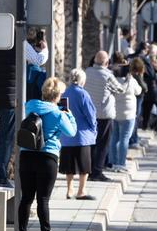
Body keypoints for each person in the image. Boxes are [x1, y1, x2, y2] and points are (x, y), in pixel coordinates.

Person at [17, 77, 77, 231]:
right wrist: (69, 115)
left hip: (26, 155)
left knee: (26, 197)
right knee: (43, 198)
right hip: (47, 157)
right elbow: (71, 132)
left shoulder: (29, 106)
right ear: (58, 96)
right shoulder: (58, 114)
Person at [0, 36, 49, 188]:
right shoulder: (19, 41)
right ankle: (0, 177)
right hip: (9, 99)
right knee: (6, 140)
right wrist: (45, 49)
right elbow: (37, 60)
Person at [85, 51, 126, 182]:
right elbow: (120, 90)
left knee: (91, 143)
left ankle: (89, 171)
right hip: (104, 115)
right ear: (107, 63)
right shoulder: (108, 76)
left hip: (90, 113)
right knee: (103, 145)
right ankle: (97, 172)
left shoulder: (87, 72)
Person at [59, 69, 97, 200]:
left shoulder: (64, 93)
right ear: (82, 80)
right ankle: (81, 190)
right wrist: (94, 129)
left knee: (68, 165)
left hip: (67, 135)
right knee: (83, 165)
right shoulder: (83, 94)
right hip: (82, 135)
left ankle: (69, 190)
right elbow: (91, 115)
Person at [109, 60, 142, 172]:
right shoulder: (131, 82)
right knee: (124, 139)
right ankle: (121, 163)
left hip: (116, 114)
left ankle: (112, 162)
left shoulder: (115, 81)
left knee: (114, 138)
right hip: (128, 115)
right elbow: (139, 91)